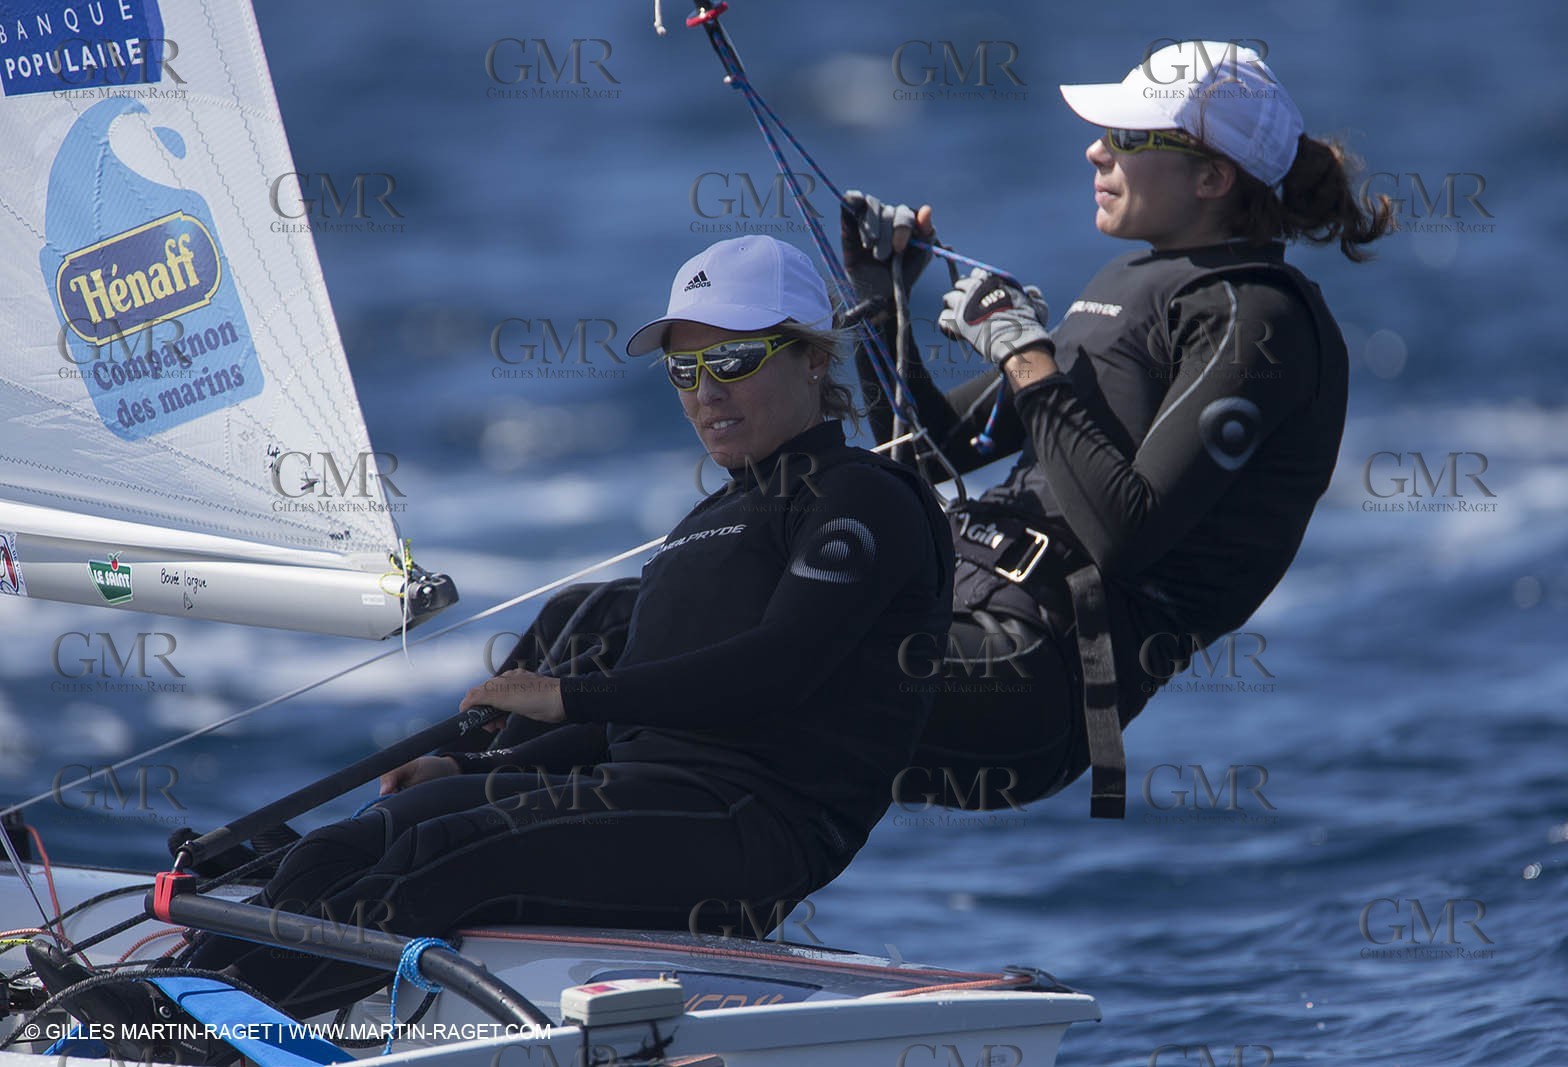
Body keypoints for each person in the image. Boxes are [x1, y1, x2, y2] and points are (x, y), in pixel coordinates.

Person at [27, 235, 953, 1062]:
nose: (706, 391)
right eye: (683, 370)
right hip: (653, 795)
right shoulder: (713, 519)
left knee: (457, 856)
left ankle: (205, 1041)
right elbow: (638, 736)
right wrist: (467, 760)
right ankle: (162, 995)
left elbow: (772, 675)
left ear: (812, 357)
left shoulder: (861, 499)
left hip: (757, 828)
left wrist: (569, 699)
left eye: (735, 359)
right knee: (362, 837)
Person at [838, 40, 1393, 816]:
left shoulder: (1259, 318)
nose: (1097, 149)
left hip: (1037, 672)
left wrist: (1028, 355)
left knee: (779, 667)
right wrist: (882, 302)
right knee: (651, 623)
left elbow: (1126, 534)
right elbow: (933, 453)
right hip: (957, 608)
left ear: (1212, 176)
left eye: (1129, 138)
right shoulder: (1127, 284)